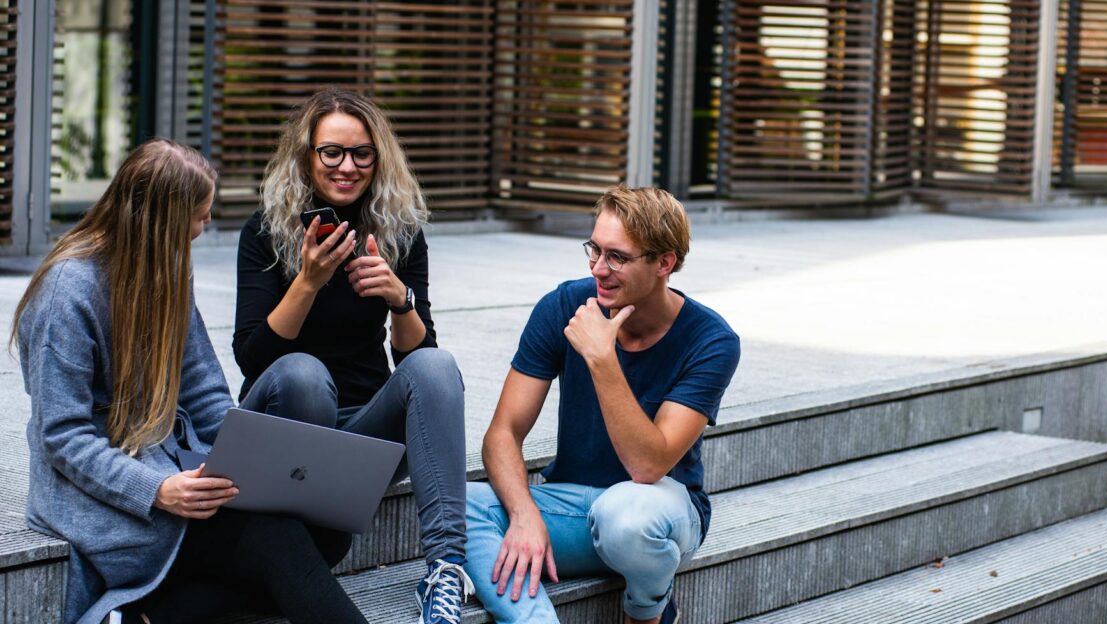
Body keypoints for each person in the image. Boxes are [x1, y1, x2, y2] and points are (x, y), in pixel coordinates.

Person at [13, 139, 367, 624]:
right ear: (161, 219)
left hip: (176, 467)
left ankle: (153, 613)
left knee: (328, 533)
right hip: (101, 495)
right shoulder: (67, 293)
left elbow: (204, 393)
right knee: (276, 540)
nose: (205, 227)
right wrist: (157, 490)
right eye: (199, 216)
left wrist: (254, 463)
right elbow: (63, 436)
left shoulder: (167, 269)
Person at [232, 88, 471, 624]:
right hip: (285, 424)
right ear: (306, 155)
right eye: (331, 152)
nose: (347, 166)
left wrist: (398, 299)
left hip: (363, 434)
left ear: (378, 157)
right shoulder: (267, 232)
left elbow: (419, 358)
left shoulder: (398, 231)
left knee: (437, 367)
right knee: (304, 373)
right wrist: (309, 282)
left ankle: (445, 572)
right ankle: (297, 546)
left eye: (362, 153)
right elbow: (252, 359)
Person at [464, 186, 741, 623]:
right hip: (572, 503)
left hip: (659, 512)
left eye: (617, 257)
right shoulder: (563, 305)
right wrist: (522, 515)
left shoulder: (711, 341)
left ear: (663, 263)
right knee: (461, 504)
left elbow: (647, 467)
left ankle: (647, 608)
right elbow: (503, 434)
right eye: (594, 249)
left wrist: (601, 358)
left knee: (626, 515)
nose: (598, 268)